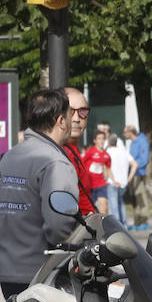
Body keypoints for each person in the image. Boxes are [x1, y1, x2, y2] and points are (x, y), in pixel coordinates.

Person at [0, 88, 80, 301]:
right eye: (69, 115)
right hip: (43, 274)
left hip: (8, 272)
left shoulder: (9, 156)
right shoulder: (54, 162)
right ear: (60, 120)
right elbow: (60, 226)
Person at [60, 87, 98, 216]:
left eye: (83, 112)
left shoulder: (74, 151)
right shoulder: (58, 155)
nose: (76, 118)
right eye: (70, 111)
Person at [124, 125, 151, 230]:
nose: (124, 134)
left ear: (131, 132)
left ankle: (144, 222)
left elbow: (144, 159)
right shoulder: (132, 143)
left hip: (139, 174)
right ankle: (137, 222)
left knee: (141, 198)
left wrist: (134, 166)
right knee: (135, 199)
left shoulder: (142, 141)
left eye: (125, 132)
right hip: (132, 174)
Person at [82, 129, 112, 215]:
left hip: (101, 184)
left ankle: (103, 226)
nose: (101, 141)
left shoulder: (107, 155)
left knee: (104, 205)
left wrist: (112, 180)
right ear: (95, 141)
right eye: (99, 138)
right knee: (90, 210)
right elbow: (81, 163)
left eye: (103, 138)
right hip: (89, 184)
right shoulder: (90, 152)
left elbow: (108, 169)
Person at [106, 132, 133, 225]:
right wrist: (129, 178)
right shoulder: (124, 152)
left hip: (112, 182)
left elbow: (106, 168)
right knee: (121, 203)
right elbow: (135, 164)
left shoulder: (108, 152)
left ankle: (116, 227)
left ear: (108, 143)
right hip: (123, 183)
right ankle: (124, 225)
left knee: (113, 206)